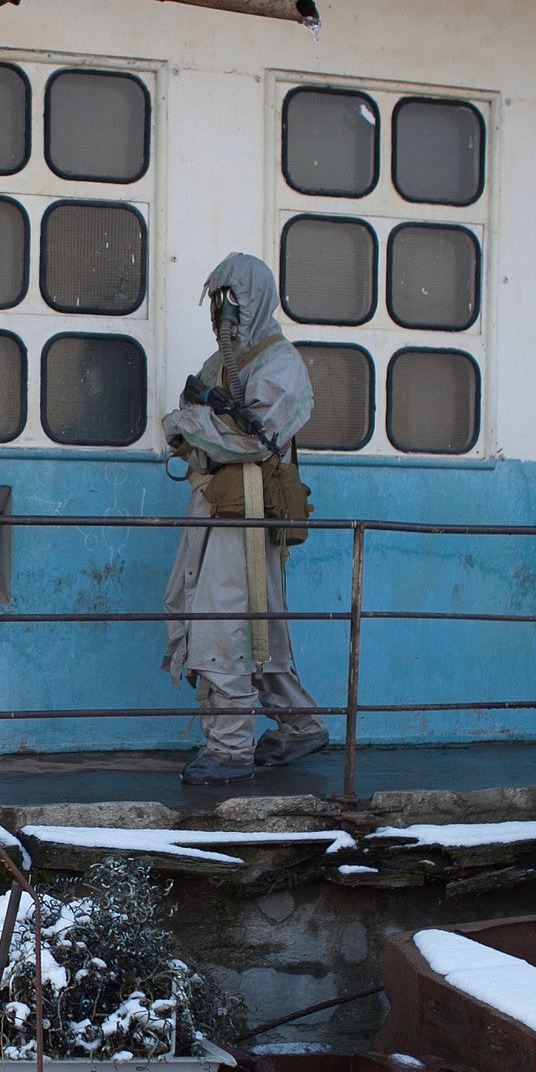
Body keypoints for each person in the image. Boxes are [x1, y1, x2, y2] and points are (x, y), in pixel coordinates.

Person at [162, 251, 328, 785]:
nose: (221, 317)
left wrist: (189, 422)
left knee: (225, 622)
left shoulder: (280, 364)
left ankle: (230, 747)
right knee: (232, 620)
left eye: (229, 305)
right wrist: (187, 426)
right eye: (215, 306)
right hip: (214, 506)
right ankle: (301, 726)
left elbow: (246, 439)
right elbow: (196, 438)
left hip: (249, 511)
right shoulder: (219, 367)